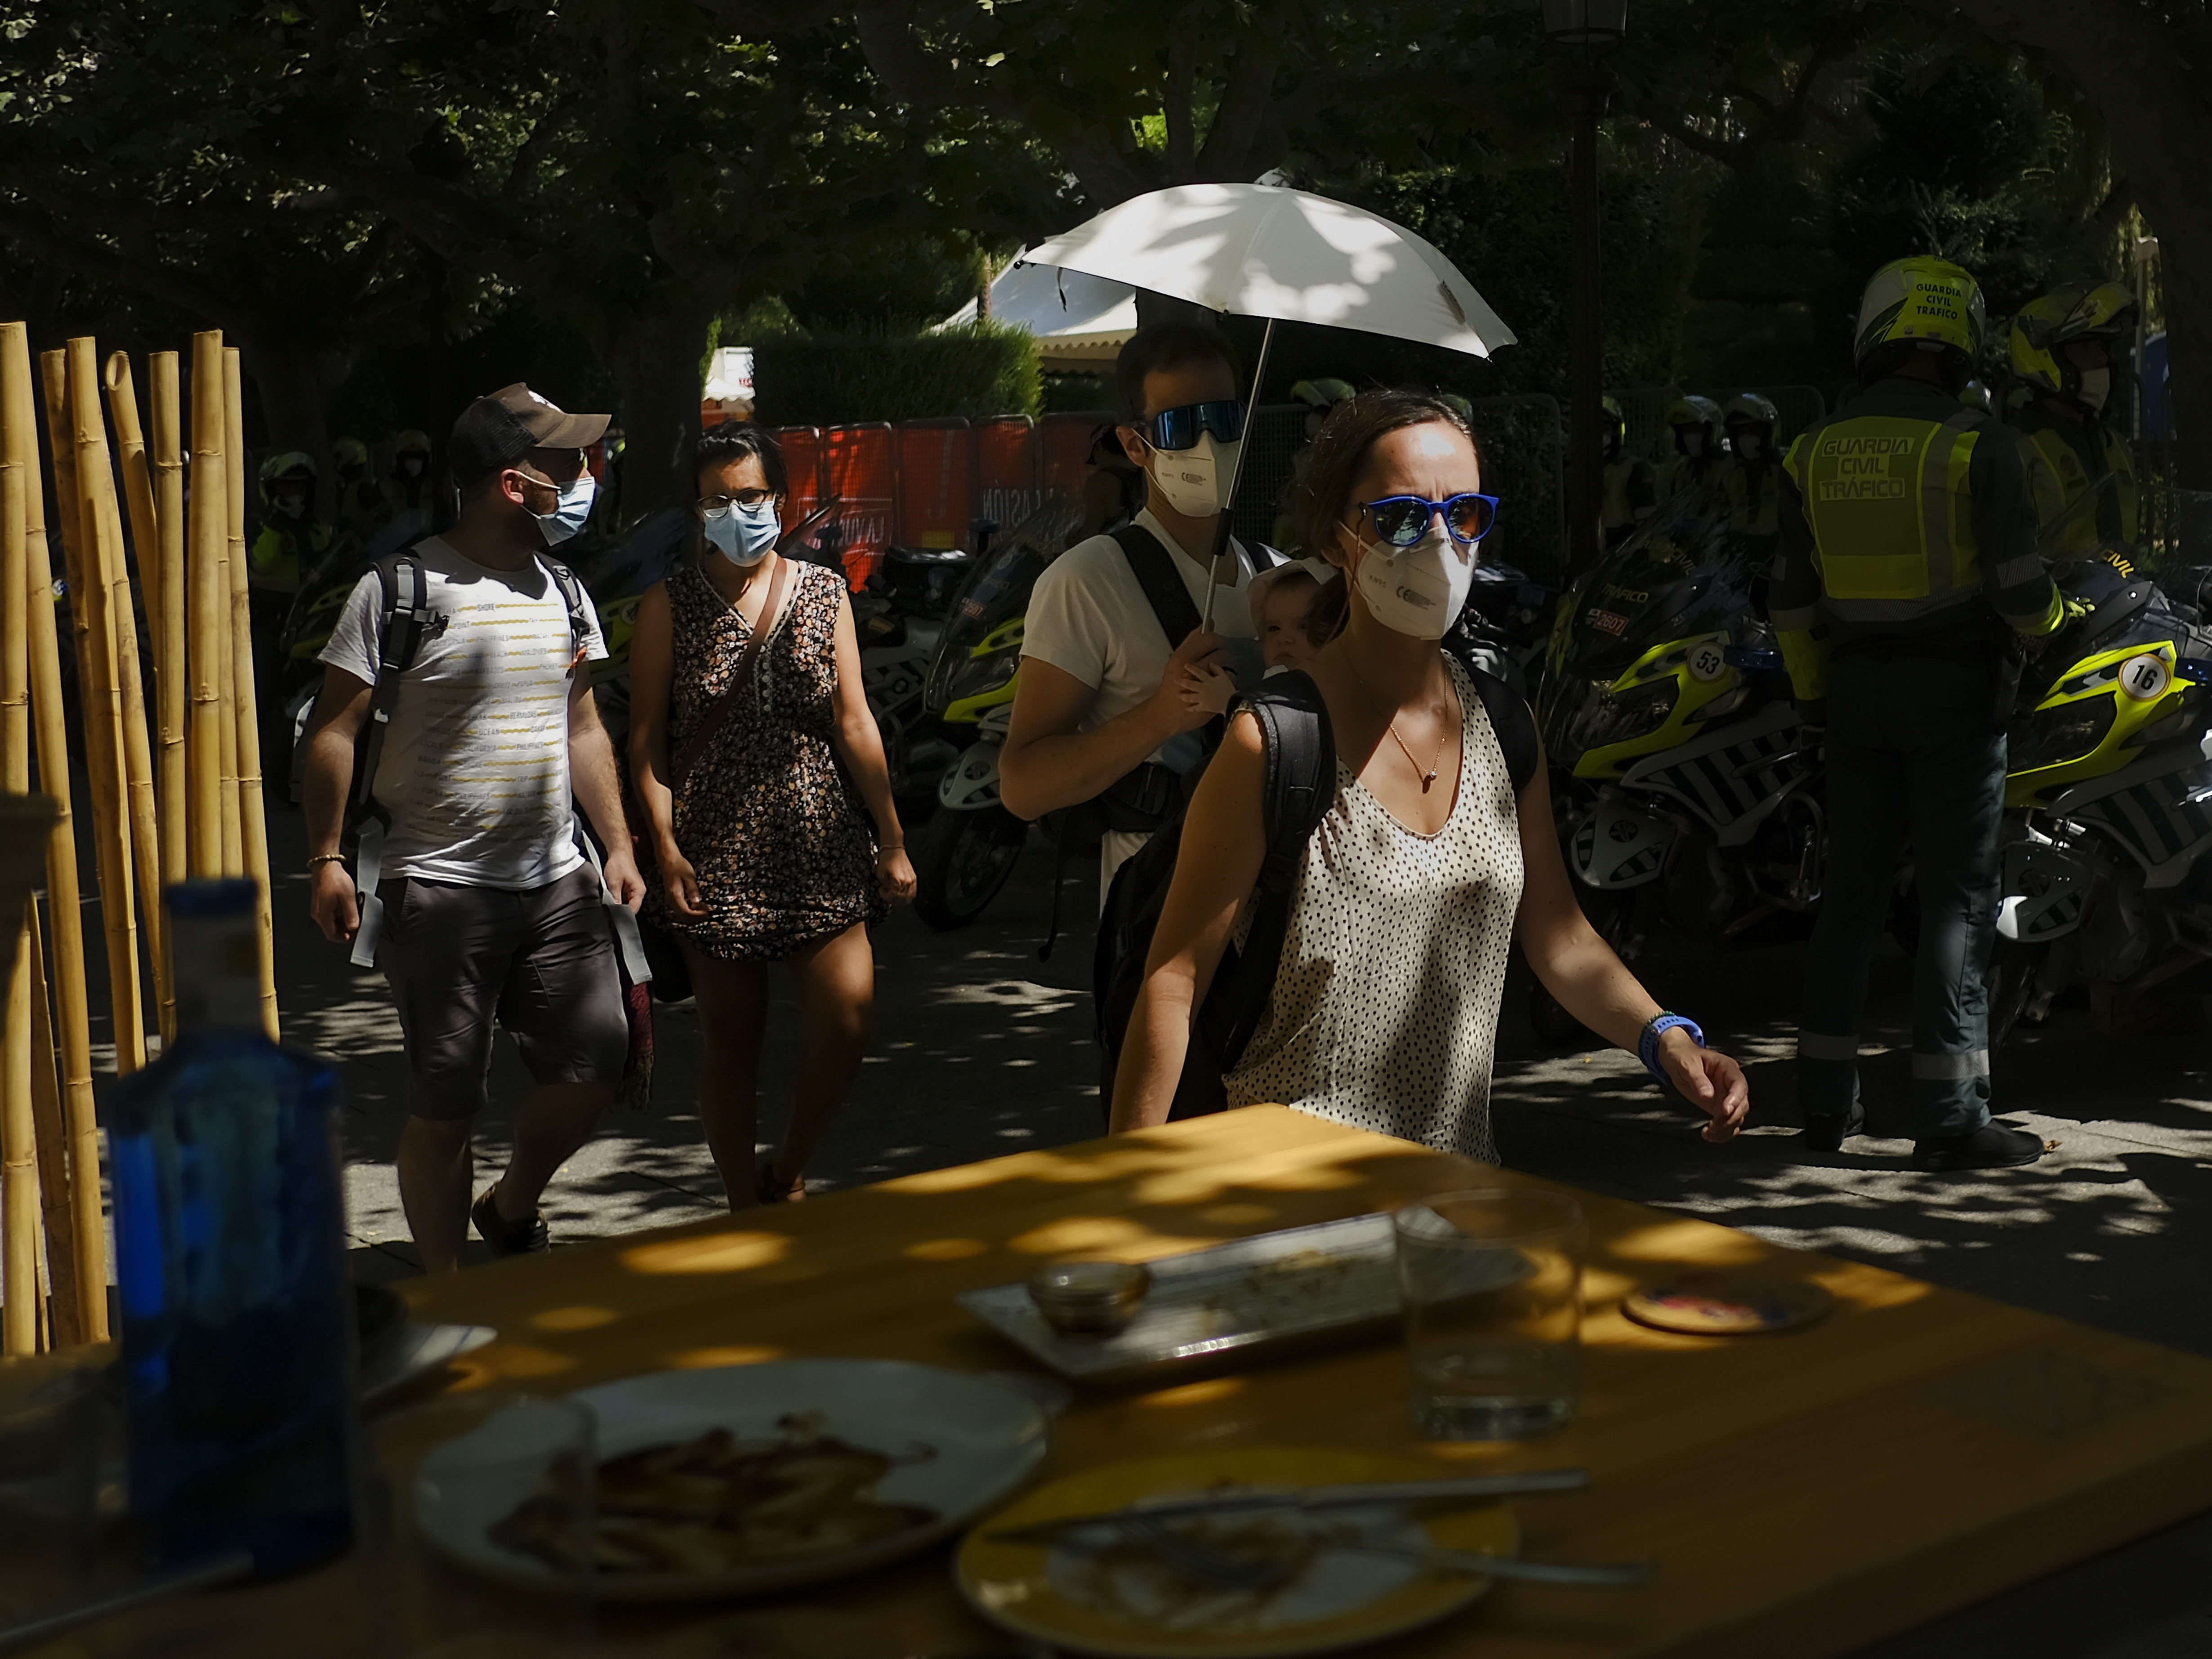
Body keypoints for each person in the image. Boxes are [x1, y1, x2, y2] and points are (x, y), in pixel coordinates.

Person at [1112, 388, 1751, 1155]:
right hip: (1286, 1207)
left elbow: (1558, 936)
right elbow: (1173, 982)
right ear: (1340, 535)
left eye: (1466, 514)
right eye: (1403, 516)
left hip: (1454, 1204)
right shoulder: (1274, 743)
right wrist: (1133, 1191)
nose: (1441, 541)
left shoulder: (1504, 721)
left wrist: (1665, 1037)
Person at [301, 383, 643, 1270]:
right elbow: (332, 730)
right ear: (514, 481)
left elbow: (583, 728)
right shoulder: (400, 590)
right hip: (436, 886)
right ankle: (451, 1293)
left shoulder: (566, 589)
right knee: (448, 1103)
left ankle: (513, 1203)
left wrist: (618, 844)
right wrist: (328, 857)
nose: (588, 477)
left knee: (595, 1066)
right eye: (569, 463)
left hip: (559, 880)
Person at [1772, 256, 2071, 1172]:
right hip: (1955, 696)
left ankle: (1824, 1111)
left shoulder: (1810, 450)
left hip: (1854, 696)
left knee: (1850, 902)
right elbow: (2022, 591)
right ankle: (1950, 1119)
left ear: (1876, 333)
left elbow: (1788, 600)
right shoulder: (1980, 444)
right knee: (1955, 903)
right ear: (1958, 342)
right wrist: (2058, 624)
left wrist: (1816, 698)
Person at [628, 423, 918, 1209]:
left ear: (779, 500)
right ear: (696, 510)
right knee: (732, 1044)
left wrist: (892, 837)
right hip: (713, 850)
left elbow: (855, 720)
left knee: (849, 1023)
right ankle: (740, 1204)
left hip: (820, 835)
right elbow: (648, 738)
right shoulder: (668, 605)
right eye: (717, 498)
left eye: (749, 495)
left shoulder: (825, 592)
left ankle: (787, 1166)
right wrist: (665, 848)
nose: (735, 510)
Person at [1001, 322, 1268, 901]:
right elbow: (1022, 786)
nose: (1206, 443)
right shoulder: (1087, 581)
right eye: (1179, 426)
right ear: (1134, 445)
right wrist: (1162, 716)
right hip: (1155, 920)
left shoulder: (1275, 578)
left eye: (1224, 421)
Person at [2007, 282, 2141, 559]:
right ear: (2045, 359)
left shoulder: (2113, 443)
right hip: (2055, 598)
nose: (2101, 357)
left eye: (2103, 346)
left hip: (2119, 593)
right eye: (2085, 346)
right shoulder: (2016, 449)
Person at [1182, 558, 1328, 716]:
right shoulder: (1277, 679)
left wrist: (1228, 703)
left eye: (1303, 627)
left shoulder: (1326, 687)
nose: (1284, 639)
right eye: (1274, 628)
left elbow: (1276, 729)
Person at [1717, 393, 1784, 552]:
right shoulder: (1731, 473)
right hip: (1737, 552)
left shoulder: (1786, 472)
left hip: (1777, 553)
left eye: (1754, 430)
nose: (1746, 438)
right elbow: (1719, 513)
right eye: (1740, 432)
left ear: (1769, 432)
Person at [1599, 394, 1658, 549]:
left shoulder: (1634, 469)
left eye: (1605, 428)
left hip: (1621, 559)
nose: (1600, 435)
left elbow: (1648, 530)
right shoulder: (1579, 472)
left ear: (1617, 430)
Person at [1077, 422, 1147, 538]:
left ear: (1099, 448)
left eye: (1093, 459)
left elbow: (1092, 529)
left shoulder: (1101, 481)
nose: (1095, 465)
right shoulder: (1144, 476)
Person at [1657, 394, 1725, 510]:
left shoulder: (1729, 468)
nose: (1690, 436)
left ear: (1711, 431)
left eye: (1697, 430)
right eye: (1685, 431)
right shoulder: (1681, 471)